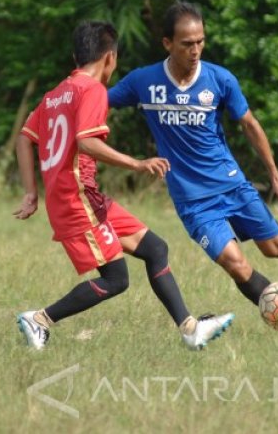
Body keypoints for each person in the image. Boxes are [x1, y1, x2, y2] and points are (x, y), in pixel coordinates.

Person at [13, 21, 234, 351]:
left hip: (82, 198)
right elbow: (86, 142)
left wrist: (31, 192)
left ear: (77, 55)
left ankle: (190, 329)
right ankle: (40, 319)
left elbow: (23, 138)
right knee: (116, 279)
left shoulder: (55, 95)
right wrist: (137, 163)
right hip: (77, 200)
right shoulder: (93, 90)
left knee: (155, 249)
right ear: (110, 57)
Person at [108, 1, 278, 314]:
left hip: (232, 185)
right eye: (187, 44)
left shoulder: (221, 80)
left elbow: (249, 124)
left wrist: (275, 174)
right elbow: (97, 102)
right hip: (194, 201)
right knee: (236, 264)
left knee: (276, 249)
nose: (196, 50)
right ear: (167, 43)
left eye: (200, 42)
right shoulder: (144, 81)